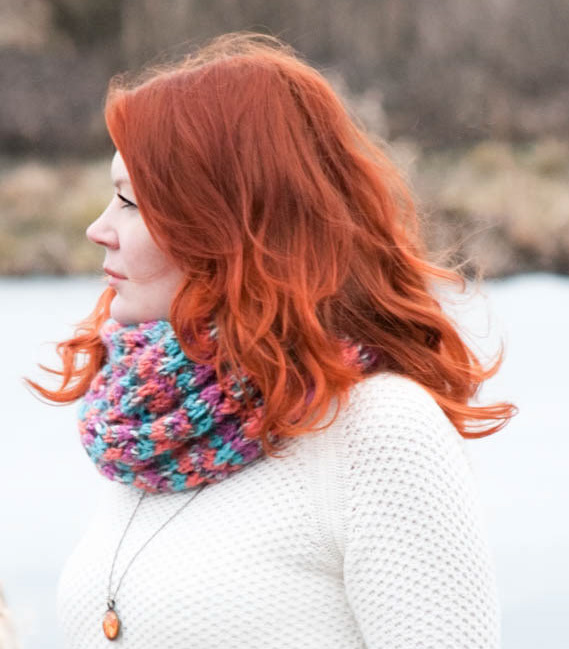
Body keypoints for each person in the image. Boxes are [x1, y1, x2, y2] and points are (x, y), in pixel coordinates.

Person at [28, 31, 517, 648]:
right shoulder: (154, 434)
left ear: (228, 221)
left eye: (130, 201)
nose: (98, 228)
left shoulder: (379, 431)